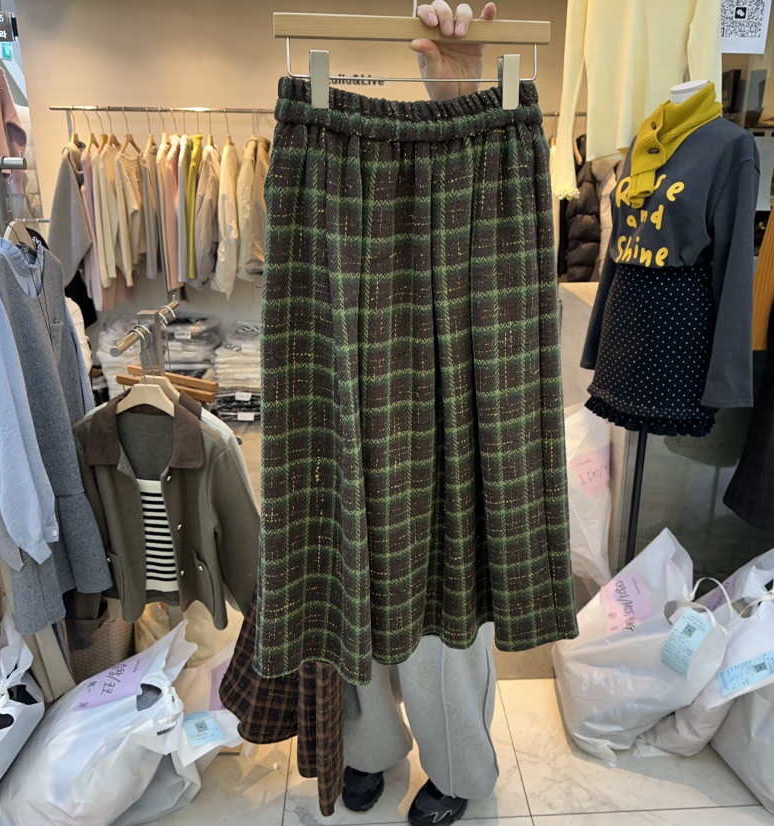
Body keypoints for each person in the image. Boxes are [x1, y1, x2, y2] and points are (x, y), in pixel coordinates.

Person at [341, 5, 501, 826]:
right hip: (342, 268)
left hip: (451, 324)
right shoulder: (312, 152)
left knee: (447, 563)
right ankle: (367, 744)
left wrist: (458, 102)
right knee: (349, 556)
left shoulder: (480, 158)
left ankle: (459, 764)